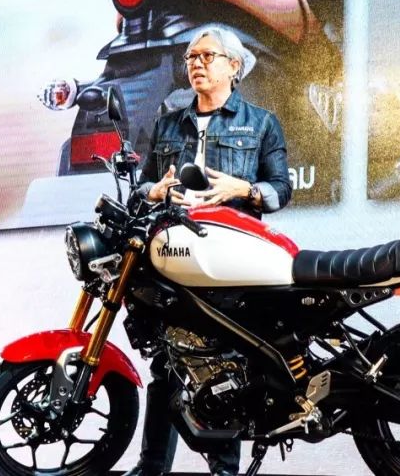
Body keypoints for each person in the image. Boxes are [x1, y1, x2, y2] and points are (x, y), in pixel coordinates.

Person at [124, 26, 293, 476]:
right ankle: (151, 466)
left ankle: (224, 468)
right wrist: (153, 191)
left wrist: (246, 189)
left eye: (206, 56)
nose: (196, 64)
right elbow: (142, 187)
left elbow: (281, 190)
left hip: (228, 256)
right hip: (172, 255)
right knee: (167, 364)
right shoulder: (167, 123)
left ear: (234, 66)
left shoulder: (261, 123)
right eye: (190, 57)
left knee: (224, 364)